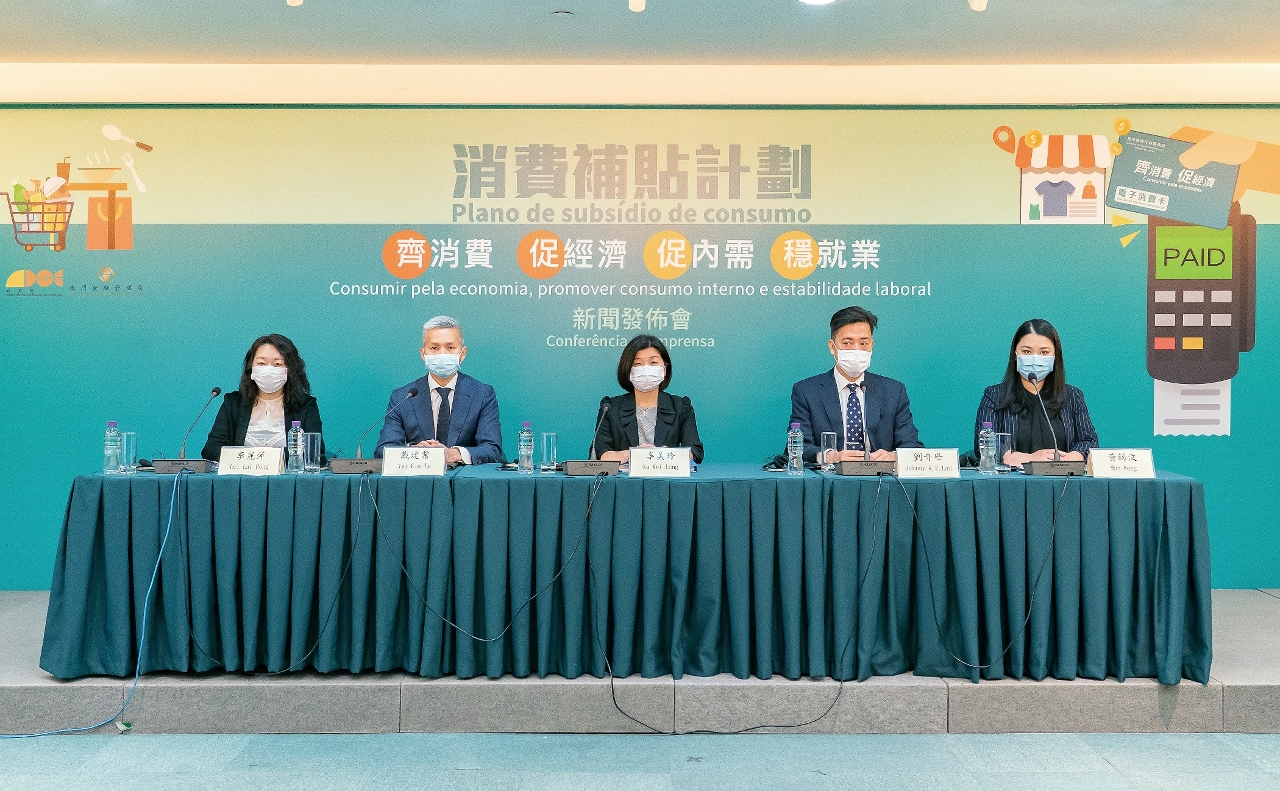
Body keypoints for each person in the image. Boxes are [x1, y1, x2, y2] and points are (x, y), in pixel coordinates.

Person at [790, 306, 922, 464]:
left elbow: (911, 444)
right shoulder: (806, 391)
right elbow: (799, 446)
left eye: (864, 343)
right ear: (832, 347)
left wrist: (894, 456)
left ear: (871, 345)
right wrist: (830, 456)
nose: (856, 350)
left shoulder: (893, 391)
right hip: (831, 475)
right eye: (847, 343)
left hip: (880, 475)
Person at [375, 315, 503, 464]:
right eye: (434, 348)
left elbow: (492, 449)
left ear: (462, 353)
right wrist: (414, 451)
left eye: (450, 348)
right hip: (420, 476)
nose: (442, 354)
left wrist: (454, 454)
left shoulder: (482, 394)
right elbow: (383, 450)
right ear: (423, 354)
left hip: (465, 477)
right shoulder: (402, 397)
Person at [973, 318, 1098, 466]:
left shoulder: (1073, 396)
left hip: (1062, 478)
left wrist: (1070, 458)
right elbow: (983, 445)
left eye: (1044, 352)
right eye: (1026, 351)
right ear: (1015, 354)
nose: (1035, 359)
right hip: (1012, 479)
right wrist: (1029, 458)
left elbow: (1089, 441)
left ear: (1055, 356)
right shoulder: (994, 395)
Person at [202, 333, 324, 462]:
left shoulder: (305, 405)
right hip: (242, 474)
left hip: (286, 475)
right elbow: (211, 449)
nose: (268, 371)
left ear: (290, 370)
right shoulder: (233, 403)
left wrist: (264, 460)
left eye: (277, 364)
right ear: (251, 367)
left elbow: (315, 453)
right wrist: (254, 462)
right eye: (261, 363)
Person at [593, 334, 704, 464]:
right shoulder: (610, 408)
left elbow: (694, 452)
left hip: (666, 476)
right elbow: (601, 454)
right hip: (624, 477)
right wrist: (635, 454)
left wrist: (660, 454)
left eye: (653, 363)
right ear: (628, 370)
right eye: (637, 364)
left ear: (664, 370)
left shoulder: (680, 407)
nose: (646, 369)